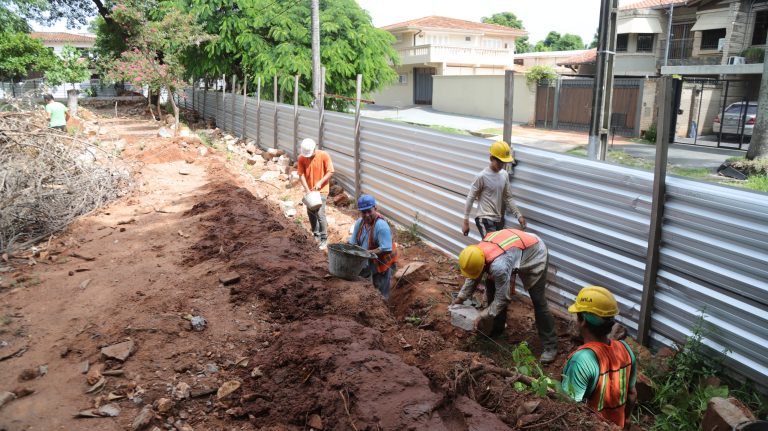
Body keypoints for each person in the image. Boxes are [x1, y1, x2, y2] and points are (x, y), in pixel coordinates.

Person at [452, 228, 558, 363]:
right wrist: (460, 299)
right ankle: (497, 329)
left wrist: (482, 315)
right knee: (491, 289)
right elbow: (473, 276)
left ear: (483, 264)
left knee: (538, 300)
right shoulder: (477, 253)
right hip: (513, 249)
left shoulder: (499, 266)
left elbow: (503, 298)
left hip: (534, 251)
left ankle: (551, 346)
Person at [562, 286, 637, 429]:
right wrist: (626, 421)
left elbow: (568, 409)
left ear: (583, 320)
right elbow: (632, 394)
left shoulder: (582, 360)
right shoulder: (626, 350)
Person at [462, 140, 526, 238]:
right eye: (499, 162)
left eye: (504, 162)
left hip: (498, 220)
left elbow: (508, 198)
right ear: (491, 158)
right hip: (484, 218)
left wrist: (519, 215)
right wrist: (466, 221)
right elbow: (471, 197)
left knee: (497, 249)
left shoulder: (504, 175)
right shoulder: (482, 176)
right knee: (491, 245)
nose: (502, 165)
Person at [348, 195, 398, 300]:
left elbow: (386, 248)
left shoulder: (381, 225)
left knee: (381, 292)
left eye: (369, 211)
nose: (366, 215)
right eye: (363, 212)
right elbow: (352, 243)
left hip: (382, 263)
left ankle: (383, 310)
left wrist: (365, 252)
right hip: (368, 260)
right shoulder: (360, 223)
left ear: (375, 208)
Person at [297, 138, 334, 250]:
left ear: (314, 149)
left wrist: (320, 182)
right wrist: (307, 189)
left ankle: (324, 239)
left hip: (322, 190)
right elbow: (301, 174)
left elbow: (330, 171)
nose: (308, 156)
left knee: (320, 213)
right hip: (310, 191)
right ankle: (316, 235)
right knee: (310, 212)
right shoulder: (302, 158)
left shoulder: (324, 155)